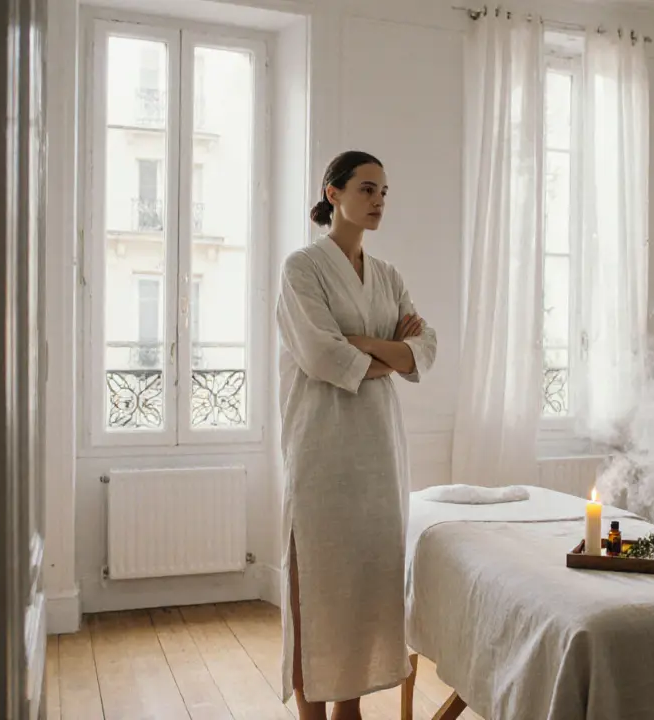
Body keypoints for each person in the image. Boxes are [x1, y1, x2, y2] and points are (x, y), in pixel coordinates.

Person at [276, 150, 437, 720]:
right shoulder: (302, 268)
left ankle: (350, 710)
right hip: (321, 447)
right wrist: (387, 349)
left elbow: (425, 348)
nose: (378, 202)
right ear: (334, 192)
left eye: (384, 193)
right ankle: (313, 714)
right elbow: (321, 355)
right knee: (316, 585)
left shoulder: (388, 275)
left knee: (366, 586)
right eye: (368, 189)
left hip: (379, 452)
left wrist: (362, 344)